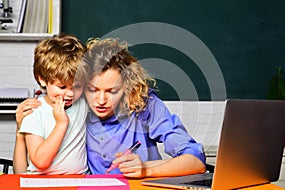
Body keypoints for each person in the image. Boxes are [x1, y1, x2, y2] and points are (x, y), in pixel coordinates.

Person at [15, 37, 207, 178]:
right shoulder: (76, 104)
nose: (100, 100)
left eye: (112, 91)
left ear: (126, 87)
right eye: (92, 89)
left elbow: (196, 160)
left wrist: (146, 169)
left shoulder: (145, 105)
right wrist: (22, 127)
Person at [14, 34, 89, 174]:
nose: (71, 94)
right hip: (42, 182)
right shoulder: (35, 111)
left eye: (77, 86)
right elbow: (41, 162)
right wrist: (61, 124)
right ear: (42, 79)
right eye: (62, 87)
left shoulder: (82, 103)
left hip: (79, 181)